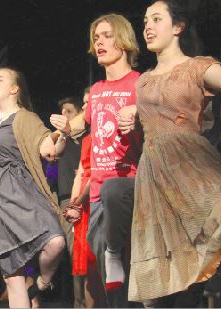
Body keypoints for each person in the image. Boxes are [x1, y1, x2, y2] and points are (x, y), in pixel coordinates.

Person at [118, 0, 221, 305]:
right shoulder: (144, 80)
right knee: (165, 270)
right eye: (145, 20)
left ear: (178, 26)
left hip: (190, 166)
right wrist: (134, 112)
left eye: (156, 19)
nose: (147, 26)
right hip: (155, 179)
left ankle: (220, 292)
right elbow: (155, 108)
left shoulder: (197, 67)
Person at [0, 67, 69, 308]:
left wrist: (63, 134)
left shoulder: (25, 118)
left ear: (14, 89)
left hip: (22, 197)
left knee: (55, 242)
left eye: (0, 80)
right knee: (14, 279)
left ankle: (42, 283)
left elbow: (49, 150)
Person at [83, 14, 143, 300]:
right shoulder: (95, 91)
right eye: (96, 38)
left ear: (123, 40)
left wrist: (138, 117)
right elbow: (79, 127)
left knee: (135, 269)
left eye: (106, 35)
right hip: (97, 195)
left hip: (130, 186)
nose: (99, 42)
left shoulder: (140, 84)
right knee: (110, 280)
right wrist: (55, 137)